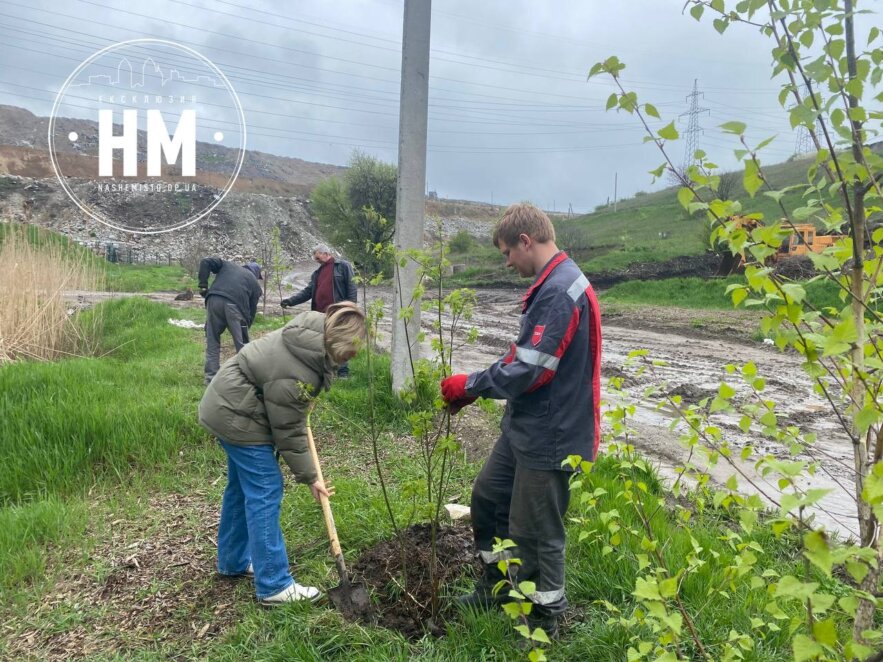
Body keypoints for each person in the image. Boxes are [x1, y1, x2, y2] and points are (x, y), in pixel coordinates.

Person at [439, 203, 602, 638]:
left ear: (526, 241)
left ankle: (545, 616)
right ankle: (499, 586)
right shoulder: (551, 284)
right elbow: (522, 356)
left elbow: (531, 370)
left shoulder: (558, 290)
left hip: (552, 433)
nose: (507, 262)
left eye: (507, 253)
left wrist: (469, 385)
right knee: (488, 499)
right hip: (527, 426)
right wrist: (477, 385)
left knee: (536, 529)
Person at [198, 302, 366, 606]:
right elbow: (287, 429)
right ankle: (273, 584)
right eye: (349, 353)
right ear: (337, 343)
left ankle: (233, 561)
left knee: (240, 489)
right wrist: (310, 477)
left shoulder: (311, 332)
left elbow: (291, 417)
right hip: (238, 413)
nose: (348, 359)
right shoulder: (299, 373)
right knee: (265, 488)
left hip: (227, 402)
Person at [281, 244, 357, 377]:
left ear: (325, 253)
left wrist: (349, 309)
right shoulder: (317, 273)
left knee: (339, 341)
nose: (316, 260)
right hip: (320, 314)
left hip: (338, 312)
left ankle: (343, 373)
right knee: (323, 342)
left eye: (317, 257)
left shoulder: (343, 266)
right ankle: (327, 370)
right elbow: (308, 292)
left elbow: (351, 288)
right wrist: (291, 301)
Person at [198, 257, 264, 385]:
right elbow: (251, 311)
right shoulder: (254, 284)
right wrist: (245, 328)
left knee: (213, 340)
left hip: (213, 300)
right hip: (235, 307)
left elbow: (205, 261)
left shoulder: (227, 265)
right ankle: (245, 377)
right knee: (242, 345)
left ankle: (210, 378)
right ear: (256, 273)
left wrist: (203, 287)